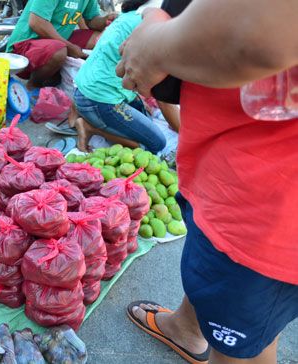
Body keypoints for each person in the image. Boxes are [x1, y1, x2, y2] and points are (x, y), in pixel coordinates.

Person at [115, 1, 298, 363]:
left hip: (265, 210)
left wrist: (153, 39)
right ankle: (188, 327)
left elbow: (257, 33)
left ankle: (210, 333)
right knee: (214, 277)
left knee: (242, 345)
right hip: (233, 172)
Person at [73, 0, 179, 153]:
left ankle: (91, 117)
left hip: (88, 92)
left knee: (147, 119)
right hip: (98, 100)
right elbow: (165, 100)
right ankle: (89, 127)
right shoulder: (155, 29)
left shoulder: (131, 16)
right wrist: (189, 136)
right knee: (156, 144)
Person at [6, 0, 116, 90]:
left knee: (100, 39)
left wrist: (105, 20)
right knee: (59, 51)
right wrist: (69, 47)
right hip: (23, 48)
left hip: (55, 42)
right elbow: (36, 22)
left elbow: (91, 20)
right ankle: (33, 86)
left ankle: (55, 76)